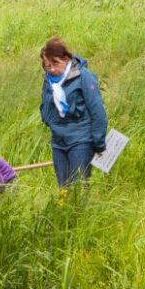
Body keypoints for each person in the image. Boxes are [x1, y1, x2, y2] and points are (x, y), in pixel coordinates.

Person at [37, 35, 108, 186]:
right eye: (47, 65)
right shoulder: (48, 81)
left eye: (55, 63)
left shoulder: (84, 77)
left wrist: (99, 143)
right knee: (63, 188)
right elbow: (46, 105)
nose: (52, 69)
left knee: (78, 188)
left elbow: (98, 112)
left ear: (66, 59)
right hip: (58, 142)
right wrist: (47, 120)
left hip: (81, 140)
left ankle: (81, 210)